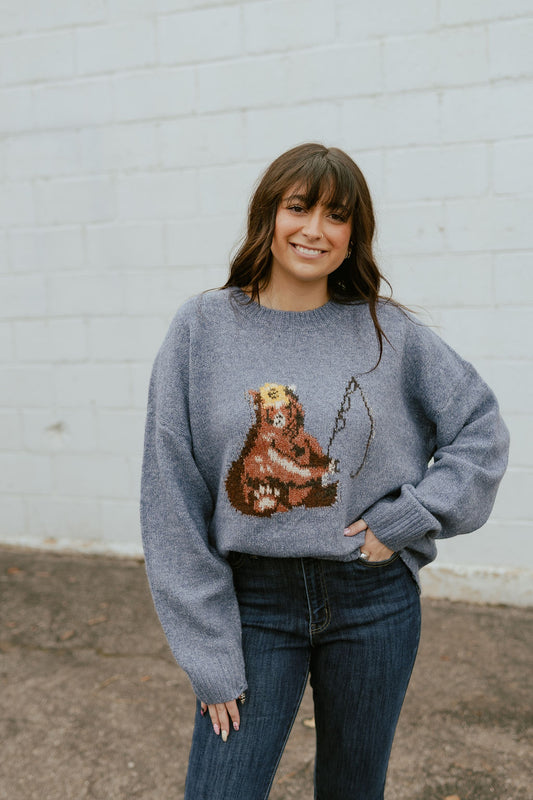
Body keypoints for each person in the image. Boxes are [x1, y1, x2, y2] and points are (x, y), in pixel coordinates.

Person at [140, 143, 509, 799]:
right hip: (251, 607)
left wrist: (409, 517)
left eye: (335, 216)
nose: (314, 229)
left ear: (351, 237)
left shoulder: (390, 334)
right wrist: (207, 653)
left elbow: (478, 429)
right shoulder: (202, 328)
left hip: (371, 601)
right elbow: (171, 497)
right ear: (269, 217)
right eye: (298, 207)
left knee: (352, 789)